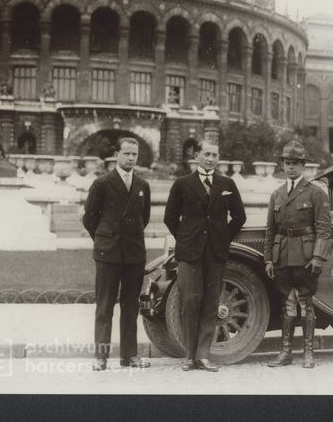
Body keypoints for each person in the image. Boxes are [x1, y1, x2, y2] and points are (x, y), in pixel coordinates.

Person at [164, 139, 246, 372]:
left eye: (215, 155)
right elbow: (170, 218)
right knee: (190, 301)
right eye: (207, 154)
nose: (211, 159)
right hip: (189, 253)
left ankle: (203, 355)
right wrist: (185, 239)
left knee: (211, 302)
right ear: (196, 155)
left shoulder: (227, 183)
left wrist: (222, 238)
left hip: (215, 253)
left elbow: (239, 217)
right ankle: (189, 355)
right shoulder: (182, 184)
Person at [82, 138, 151, 371]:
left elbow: (145, 218)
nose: (131, 158)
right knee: (104, 307)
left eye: (135, 154)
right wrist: (104, 239)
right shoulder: (102, 183)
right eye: (127, 153)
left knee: (131, 307)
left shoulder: (142, 185)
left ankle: (129, 356)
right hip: (108, 254)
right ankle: (101, 357)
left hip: (134, 254)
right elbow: (90, 218)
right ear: (117, 155)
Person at [264, 140, 331, 368]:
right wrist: (268, 259)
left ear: (303, 166)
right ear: (282, 165)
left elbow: (323, 229)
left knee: (306, 303)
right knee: (288, 304)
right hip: (282, 255)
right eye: (287, 163)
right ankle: (286, 353)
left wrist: (318, 257)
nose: (290, 167)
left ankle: (308, 354)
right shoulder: (277, 194)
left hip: (305, 256)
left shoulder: (315, 193)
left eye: (295, 163)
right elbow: (270, 230)